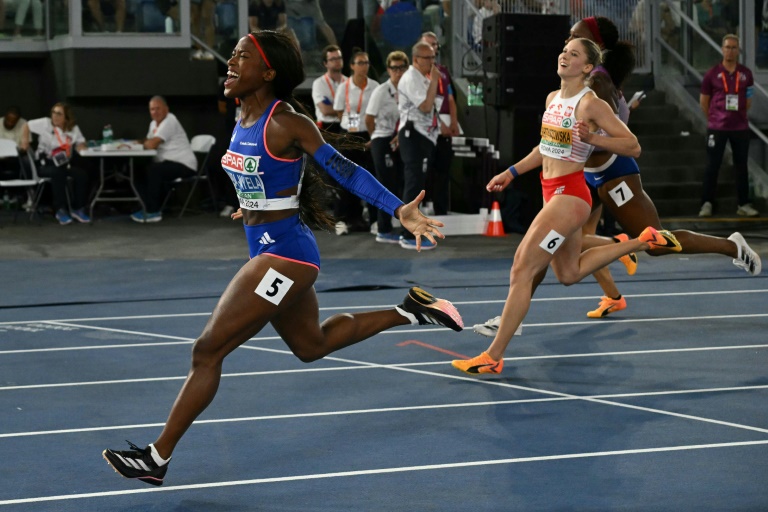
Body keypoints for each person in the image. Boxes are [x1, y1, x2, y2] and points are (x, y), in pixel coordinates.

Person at [103, 30, 463, 486]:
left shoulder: (287, 120)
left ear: (268, 72)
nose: (230, 63)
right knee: (310, 346)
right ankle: (408, 310)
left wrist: (399, 209)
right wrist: (250, 203)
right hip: (268, 245)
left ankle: (157, 457)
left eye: (241, 57)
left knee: (207, 350)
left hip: (285, 255)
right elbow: (263, 173)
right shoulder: (242, 115)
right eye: (230, 56)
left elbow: (343, 168)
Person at [473, 16, 761, 337]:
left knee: (655, 242)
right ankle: (595, 298)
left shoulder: (595, 85)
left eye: (575, 38)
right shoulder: (578, 84)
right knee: (557, 245)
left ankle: (729, 246)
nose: (567, 44)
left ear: (594, 48)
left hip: (612, 173)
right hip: (585, 174)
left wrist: (584, 142)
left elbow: (620, 140)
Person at [452, 37, 682, 376]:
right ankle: (639, 241)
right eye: (563, 50)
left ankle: (493, 355)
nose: (564, 55)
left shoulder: (591, 104)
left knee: (521, 269)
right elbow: (544, 148)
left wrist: (593, 139)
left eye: (574, 54)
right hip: (551, 192)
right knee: (568, 273)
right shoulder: (552, 98)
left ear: (587, 67)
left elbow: (632, 146)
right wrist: (510, 172)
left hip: (571, 196)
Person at [699, 34, 758, 218]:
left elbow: (748, 101)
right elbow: (704, 102)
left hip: (740, 127)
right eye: (727, 47)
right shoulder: (712, 74)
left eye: (734, 47)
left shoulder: (746, 74)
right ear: (722, 49)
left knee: (742, 166)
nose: (730, 50)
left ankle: (743, 203)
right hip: (717, 127)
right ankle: (707, 203)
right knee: (712, 165)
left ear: (738, 50)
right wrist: (714, 119)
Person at [397, 41, 445, 250]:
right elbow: (425, 107)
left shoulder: (421, 77)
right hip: (413, 134)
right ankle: (406, 232)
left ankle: (416, 229)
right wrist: (435, 80)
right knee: (414, 182)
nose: (432, 62)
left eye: (434, 57)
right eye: (428, 58)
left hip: (424, 135)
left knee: (420, 184)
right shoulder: (411, 78)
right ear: (416, 59)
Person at [332, 49, 379, 235]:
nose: (363, 66)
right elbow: (338, 111)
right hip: (349, 135)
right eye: (360, 63)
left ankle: (375, 220)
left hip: (368, 135)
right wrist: (349, 126)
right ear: (352, 66)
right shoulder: (343, 87)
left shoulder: (375, 86)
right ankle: (343, 220)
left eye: (366, 63)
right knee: (345, 178)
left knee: (372, 178)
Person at [130, 96, 198, 223]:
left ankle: (153, 211)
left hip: (184, 165)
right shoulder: (153, 124)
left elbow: (152, 144)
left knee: (154, 170)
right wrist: (137, 142)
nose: (155, 112)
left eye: (158, 109)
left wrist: (142, 143)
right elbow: (148, 140)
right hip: (167, 163)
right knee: (138, 170)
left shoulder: (170, 120)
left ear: (166, 109)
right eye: (152, 109)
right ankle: (146, 206)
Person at [365, 50, 408, 243]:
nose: (398, 72)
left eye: (401, 68)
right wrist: (376, 137)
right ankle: (383, 227)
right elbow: (369, 118)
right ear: (388, 70)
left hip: (401, 139)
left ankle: (390, 225)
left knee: (399, 182)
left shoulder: (408, 90)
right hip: (383, 139)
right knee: (385, 183)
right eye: (394, 68)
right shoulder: (381, 91)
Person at [25, 102, 92, 225]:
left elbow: (81, 143)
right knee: (58, 173)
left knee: (81, 174)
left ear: (66, 117)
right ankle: (60, 209)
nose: (55, 116)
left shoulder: (74, 129)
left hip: (63, 163)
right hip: (45, 164)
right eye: (53, 113)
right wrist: (25, 142)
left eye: (59, 114)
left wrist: (81, 147)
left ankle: (78, 208)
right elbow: (25, 125)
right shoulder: (45, 123)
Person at [421, 31, 459, 216]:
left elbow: (450, 97)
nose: (433, 48)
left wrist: (454, 122)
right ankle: (422, 204)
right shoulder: (417, 74)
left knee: (443, 167)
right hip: (426, 125)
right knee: (424, 169)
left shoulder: (443, 71)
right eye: (428, 45)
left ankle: (441, 209)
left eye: (435, 44)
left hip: (444, 122)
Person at [311, 45, 345, 134]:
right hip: (327, 127)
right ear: (325, 63)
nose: (337, 61)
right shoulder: (319, 83)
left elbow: (357, 108)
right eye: (333, 59)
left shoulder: (349, 82)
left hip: (346, 125)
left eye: (339, 58)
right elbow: (325, 110)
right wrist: (347, 110)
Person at [0, 106, 30, 183]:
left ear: (18, 120)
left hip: (16, 158)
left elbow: (25, 145)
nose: (10, 123)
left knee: (25, 161)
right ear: (5, 116)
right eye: (8, 120)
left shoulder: (24, 124)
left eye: (13, 122)